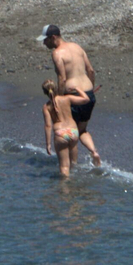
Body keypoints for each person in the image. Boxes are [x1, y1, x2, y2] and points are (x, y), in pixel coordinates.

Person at [39, 24, 101, 167]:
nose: (44, 43)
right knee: (82, 130)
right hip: (88, 94)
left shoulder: (57, 53)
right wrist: (90, 89)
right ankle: (93, 151)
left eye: (46, 40)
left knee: (72, 130)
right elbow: (90, 71)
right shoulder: (77, 47)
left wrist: (59, 99)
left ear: (53, 37)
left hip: (72, 95)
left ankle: (72, 165)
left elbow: (62, 78)